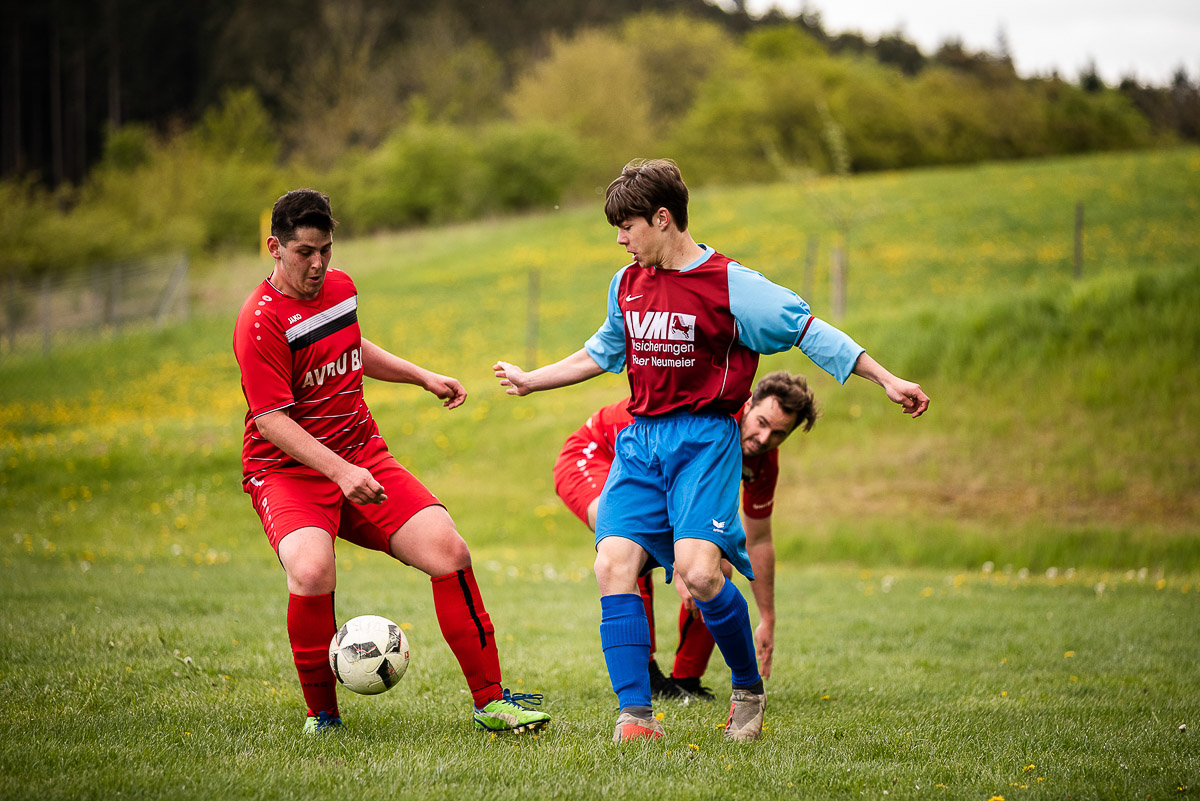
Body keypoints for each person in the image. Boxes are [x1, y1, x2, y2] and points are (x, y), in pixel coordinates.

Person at [494, 158, 928, 744]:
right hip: (640, 443)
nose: (621, 240)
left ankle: (747, 689)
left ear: (664, 219)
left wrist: (887, 379)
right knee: (612, 565)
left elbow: (810, 330)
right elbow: (598, 352)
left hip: (704, 443)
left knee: (700, 575)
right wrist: (530, 379)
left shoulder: (732, 285)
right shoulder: (626, 284)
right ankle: (636, 717)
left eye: (628, 226)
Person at [234, 189, 550, 736]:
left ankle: (492, 702)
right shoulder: (259, 321)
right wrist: (339, 472)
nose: (317, 264)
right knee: (311, 569)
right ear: (274, 247)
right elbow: (270, 421)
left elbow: (350, 344)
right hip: (288, 471)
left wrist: (421, 375)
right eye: (304, 251)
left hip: (361, 454)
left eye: (325, 250)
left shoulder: (340, 287)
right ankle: (323, 717)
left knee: (449, 550)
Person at [554, 372, 819, 700]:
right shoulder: (707, 417)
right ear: (747, 405)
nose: (764, 438)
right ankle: (646, 674)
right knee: (629, 547)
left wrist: (767, 617)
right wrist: (680, 562)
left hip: (649, 477)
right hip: (594, 455)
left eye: (778, 433)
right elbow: (661, 486)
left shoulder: (763, 461)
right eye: (761, 422)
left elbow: (759, 540)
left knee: (717, 569)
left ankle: (685, 680)